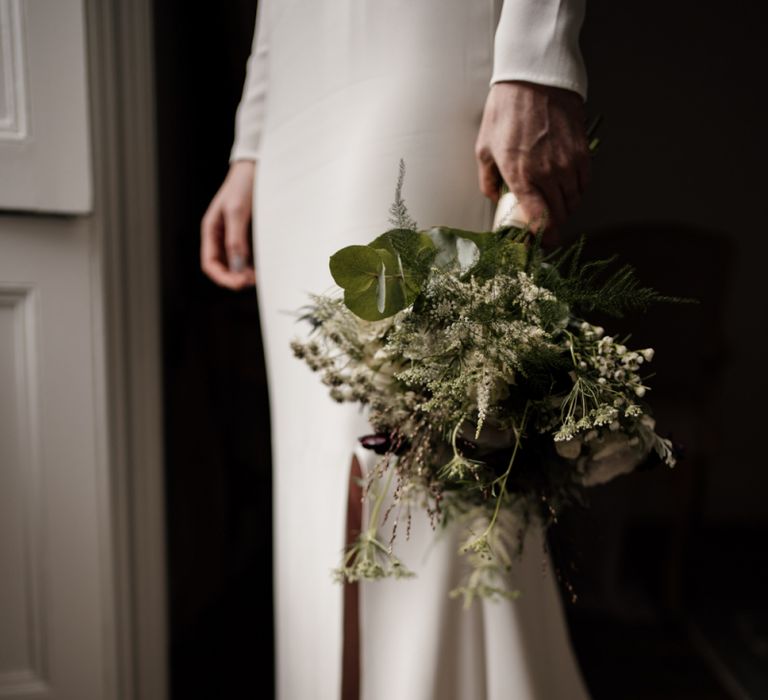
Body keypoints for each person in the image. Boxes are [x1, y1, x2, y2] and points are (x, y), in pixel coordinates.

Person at [201, 2, 592, 698]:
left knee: (410, 438)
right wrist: (249, 144)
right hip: (294, 96)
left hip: (420, 49)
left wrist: (538, 53)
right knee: (316, 460)